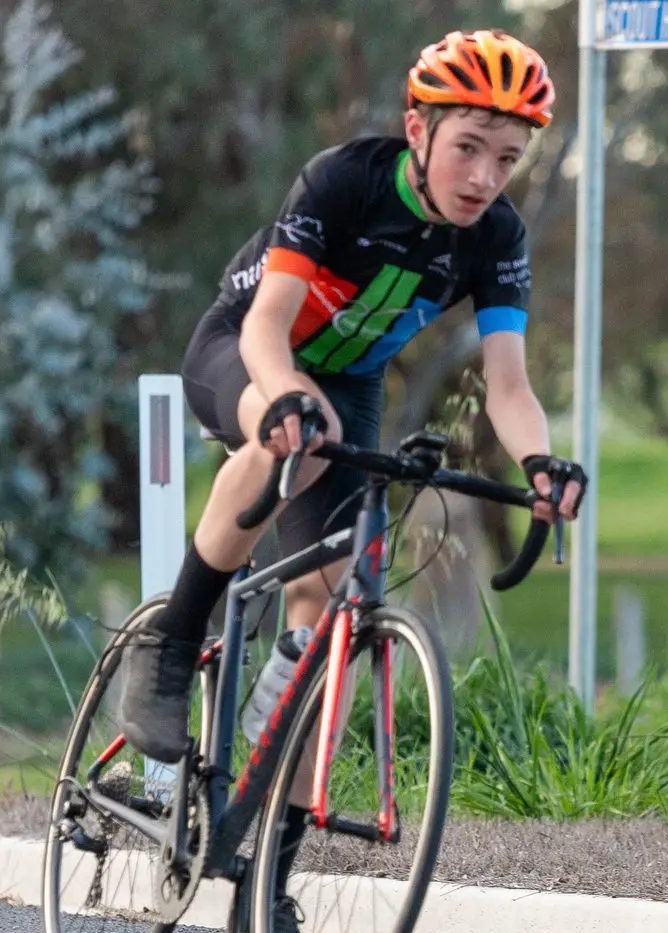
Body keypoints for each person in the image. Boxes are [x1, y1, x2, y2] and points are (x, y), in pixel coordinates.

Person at [117, 26, 587, 928]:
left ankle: (264, 878)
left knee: (328, 619)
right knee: (276, 447)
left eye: (508, 158)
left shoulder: (496, 237)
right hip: (250, 348)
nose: (485, 176)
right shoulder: (345, 179)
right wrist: (286, 394)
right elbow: (265, 327)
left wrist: (540, 462)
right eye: (468, 148)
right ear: (418, 129)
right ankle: (172, 643)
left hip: (351, 385)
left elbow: (510, 383)